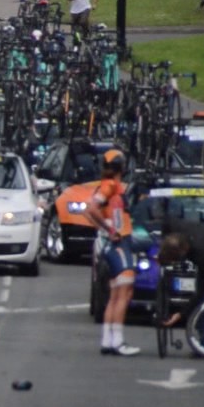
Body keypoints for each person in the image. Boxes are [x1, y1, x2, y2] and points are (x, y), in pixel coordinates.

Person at [83, 149, 140, 355]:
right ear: (121, 167)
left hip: (113, 243)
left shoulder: (108, 186)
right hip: (119, 242)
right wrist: (110, 230)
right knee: (124, 292)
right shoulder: (111, 186)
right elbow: (91, 209)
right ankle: (118, 342)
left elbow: (89, 212)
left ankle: (108, 340)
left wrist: (103, 228)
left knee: (116, 294)